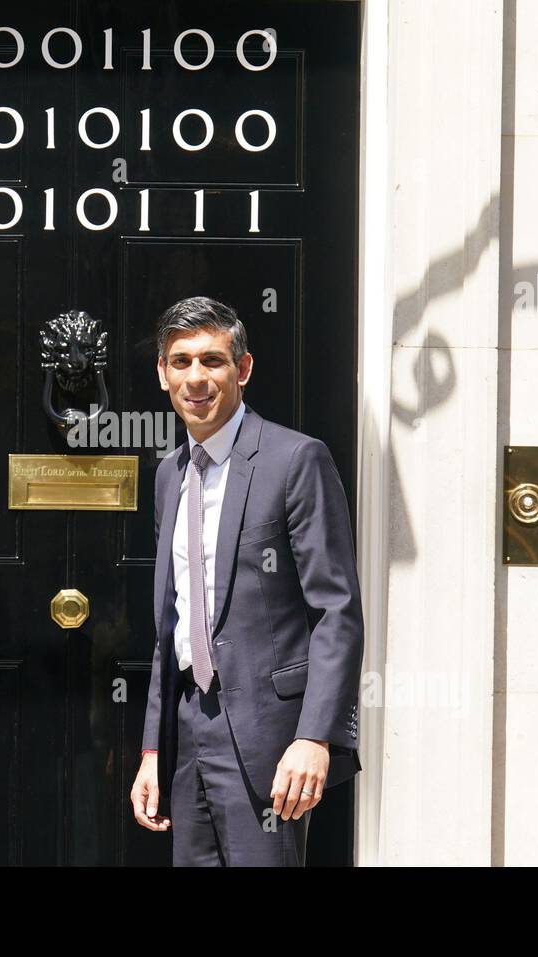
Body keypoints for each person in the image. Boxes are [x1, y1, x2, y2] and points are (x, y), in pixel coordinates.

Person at [129, 296, 364, 866]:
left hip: (270, 737)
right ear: (162, 374)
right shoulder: (168, 474)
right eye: (180, 362)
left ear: (244, 368)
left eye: (213, 361)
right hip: (189, 731)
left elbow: (337, 611)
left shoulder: (295, 460)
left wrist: (316, 737)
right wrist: (152, 748)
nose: (196, 378)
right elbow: (172, 622)